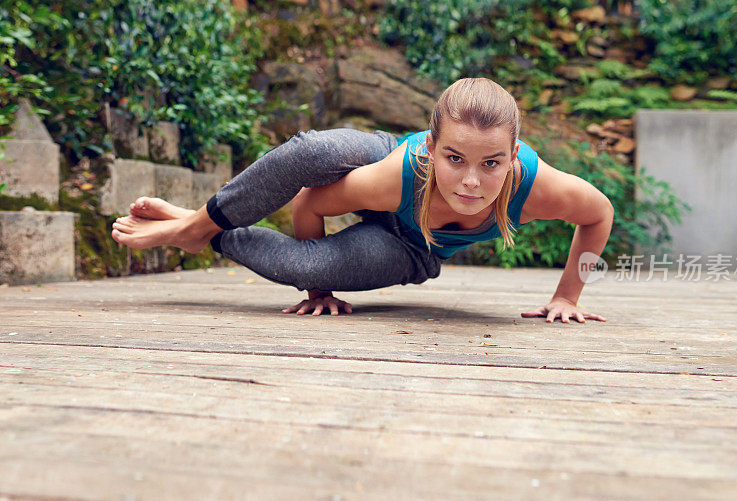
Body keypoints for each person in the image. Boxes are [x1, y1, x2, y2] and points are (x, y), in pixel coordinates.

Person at [111, 78, 613, 323]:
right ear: (433, 149)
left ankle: (200, 231)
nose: (471, 182)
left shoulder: (537, 187)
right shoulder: (400, 173)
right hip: (385, 167)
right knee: (311, 153)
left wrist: (567, 295)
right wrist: (319, 291)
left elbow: (599, 215)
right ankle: (195, 227)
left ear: (512, 159)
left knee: (299, 263)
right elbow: (309, 204)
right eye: (455, 159)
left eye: (491, 164)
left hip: (413, 249)